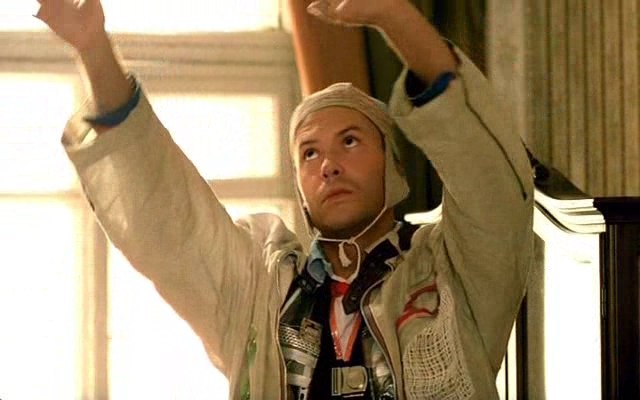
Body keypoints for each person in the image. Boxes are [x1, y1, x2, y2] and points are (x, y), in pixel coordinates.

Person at [36, 0, 534, 398]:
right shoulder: (260, 290)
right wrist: (93, 47)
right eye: (309, 153)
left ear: (393, 165)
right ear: (299, 185)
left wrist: (394, 15)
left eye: (350, 141)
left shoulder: (450, 270)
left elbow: (488, 179)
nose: (328, 165)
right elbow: (167, 213)